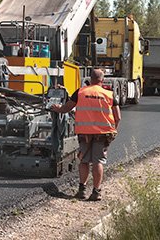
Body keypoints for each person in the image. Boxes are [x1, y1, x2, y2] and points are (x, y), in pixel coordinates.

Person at [51, 69, 121, 201]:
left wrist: (57, 108)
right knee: (98, 161)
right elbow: (118, 117)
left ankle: (82, 190)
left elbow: (67, 108)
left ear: (90, 78)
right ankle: (96, 192)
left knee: (84, 160)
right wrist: (114, 130)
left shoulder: (81, 92)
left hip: (85, 133)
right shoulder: (109, 94)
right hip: (103, 133)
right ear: (102, 80)